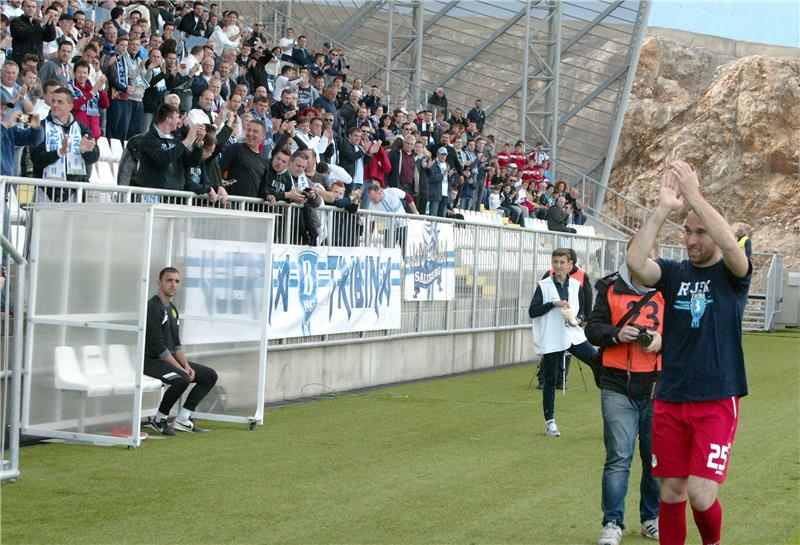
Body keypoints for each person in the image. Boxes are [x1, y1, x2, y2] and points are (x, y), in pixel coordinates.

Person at [626, 160, 752, 545]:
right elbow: (634, 264)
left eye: (701, 232)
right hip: (671, 397)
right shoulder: (675, 273)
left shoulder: (733, 275)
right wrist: (664, 208)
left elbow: (731, 245)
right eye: (687, 232)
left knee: (700, 493)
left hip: (716, 397)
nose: (692, 240)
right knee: (671, 492)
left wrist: (695, 196)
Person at [586, 241, 664, 545]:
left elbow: (686, 337)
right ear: (629, 258)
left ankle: (650, 519)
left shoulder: (668, 290)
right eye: (638, 254)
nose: (643, 261)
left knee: (654, 459)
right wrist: (617, 334)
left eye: (650, 255)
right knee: (618, 456)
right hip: (617, 384)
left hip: (657, 386)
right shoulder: (608, 287)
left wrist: (660, 341)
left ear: (656, 259)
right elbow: (592, 329)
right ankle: (612, 523)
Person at [529, 248, 597, 437]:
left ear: (570, 265)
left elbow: (582, 311)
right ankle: (550, 422)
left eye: (561, 262)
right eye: (555, 262)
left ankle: (611, 407)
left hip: (572, 335)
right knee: (550, 379)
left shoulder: (576, 285)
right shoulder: (544, 285)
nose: (558, 265)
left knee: (597, 361)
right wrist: (553, 304)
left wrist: (577, 318)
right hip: (552, 336)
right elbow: (533, 311)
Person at [144, 267, 218, 435]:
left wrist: (185, 364)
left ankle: (183, 419)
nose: (173, 285)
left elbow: (177, 344)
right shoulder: (153, 307)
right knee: (182, 378)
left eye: (177, 281)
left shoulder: (172, 308)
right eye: (169, 280)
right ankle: (159, 419)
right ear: (159, 283)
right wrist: (180, 368)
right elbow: (159, 347)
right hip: (151, 362)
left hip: (168, 360)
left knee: (209, 376)